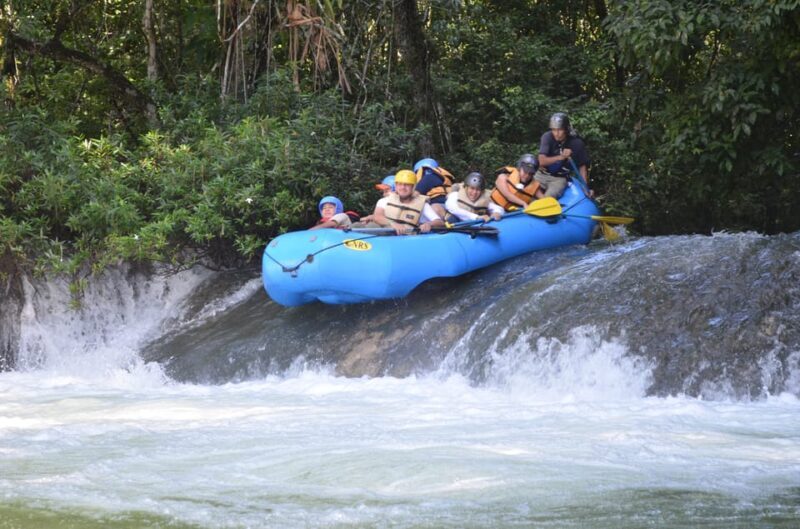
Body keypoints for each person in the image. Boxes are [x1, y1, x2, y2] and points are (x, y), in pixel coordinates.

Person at [534, 112, 591, 198]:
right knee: (526, 190)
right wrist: (561, 157)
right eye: (553, 130)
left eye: (559, 130)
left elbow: (582, 167)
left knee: (548, 198)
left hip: (559, 179)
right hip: (541, 174)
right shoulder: (547, 137)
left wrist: (585, 187)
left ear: (566, 129)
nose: (556, 133)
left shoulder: (577, 143)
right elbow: (542, 161)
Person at [373, 169, 445, 235]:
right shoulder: (384, 201)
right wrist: (393, 224)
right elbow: (377, 217)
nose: (403, 187)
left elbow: (440, 222)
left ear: (413, 187)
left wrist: (429, 224)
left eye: (407, 185)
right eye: (400, 184)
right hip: (388, 238)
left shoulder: (422, 205)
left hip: (410, 239)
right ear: (396, 186)